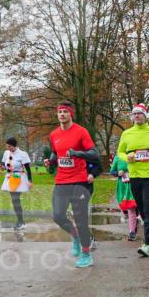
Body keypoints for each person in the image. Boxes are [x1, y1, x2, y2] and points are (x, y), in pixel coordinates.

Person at [44, 103, 100, 268]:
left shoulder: (81, 131)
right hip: (61, 180)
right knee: (58, 216)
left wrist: (76, 153)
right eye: (59, 112)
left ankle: (86, 254)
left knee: (80, 219)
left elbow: (94, 154)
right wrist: (51, 161)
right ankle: (75, 236)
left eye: (65, 112)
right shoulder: (54, 134)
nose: (62, 114)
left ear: (71, 114)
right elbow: (56, 152)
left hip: (79, 181)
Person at [116, 104, 149, 257]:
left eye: (140, 113)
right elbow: (120, 152)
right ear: (132, 117)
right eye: (135, 114)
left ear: (145, 116)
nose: (137, 116)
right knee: (141, 208)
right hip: (135, 175)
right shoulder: (127, 133)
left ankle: (146, 244)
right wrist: (127, 157)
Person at [0, 137, 32, 230]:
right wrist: (2, 167)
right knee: (15, 201)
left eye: (9, 146)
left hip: (19, 177)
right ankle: (20, 221)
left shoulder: (22, 154)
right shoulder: (6, 153)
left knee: (15, 200)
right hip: (10, 177)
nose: (8, 148)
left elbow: (28, 169)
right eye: (7, 146)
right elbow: (4, 165)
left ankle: (21, 222)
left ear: (14, 146)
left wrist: (30, 181)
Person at [109, 153, 138, 240]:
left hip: (135, 183)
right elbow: (112, 171)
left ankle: (133, 229)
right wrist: (118, 173)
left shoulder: (136, 154)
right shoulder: (118, 157)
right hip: (123, 185)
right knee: (129, 208)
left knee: (134, 208)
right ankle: (133, 229)